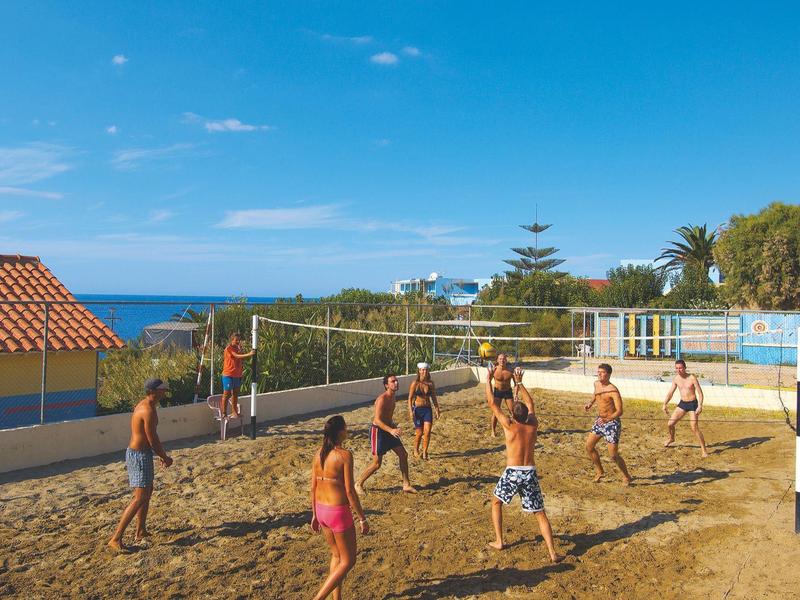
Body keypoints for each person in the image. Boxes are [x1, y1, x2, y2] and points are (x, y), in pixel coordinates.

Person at [486, 366, 564, 562]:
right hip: (530, 471)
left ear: (513, 415)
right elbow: (531, 403)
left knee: (496, 502)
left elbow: (491, 403)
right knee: (540, 513)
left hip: (513, 472)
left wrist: (488, 381)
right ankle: (552, 553)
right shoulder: (532, 425)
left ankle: (499, 540)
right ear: (526, 415)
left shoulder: (509, 425)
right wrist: (519, 383)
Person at [108, 378, 174, 553]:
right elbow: (152, 438)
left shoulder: (147, 405)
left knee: (147, 492)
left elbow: (151, 439)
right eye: (162, 390)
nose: (164, 392)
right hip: (138, 455)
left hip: (141, 454)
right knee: (140, 497)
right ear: (153, 391)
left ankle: (141, 530)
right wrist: (164, 456)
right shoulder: (148, 410)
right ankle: (116, 538)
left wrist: (159, 454)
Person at [310, 415, 369, 600]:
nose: (347, 430)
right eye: (346, 427)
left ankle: (337, 599)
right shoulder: (344, 455)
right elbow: (350, 491)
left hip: (321, 510)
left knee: (336, 556)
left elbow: (313, 487)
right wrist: (362, 518)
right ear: (340, 432)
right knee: (348, 560)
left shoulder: (318, 454)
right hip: (337, 511)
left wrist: (314, 515)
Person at [355, 374, 416, 495]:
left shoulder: (393, 397)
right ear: (386, 385)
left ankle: (406, 484)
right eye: (393, 381)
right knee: (377, 464)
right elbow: (377, 420)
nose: (396, 383)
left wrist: (393, 426)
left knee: (403, 454)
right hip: (378, 431)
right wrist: (391, 430)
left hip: (388, 430)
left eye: (396, 381)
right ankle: (358, 483)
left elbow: (387, 417)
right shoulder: (382, 399)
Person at [584, 364, 632, 485]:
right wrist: (590, 403)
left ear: (609, 374)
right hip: (600, 420)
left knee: (613, 455)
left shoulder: (613, 390)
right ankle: (600, 471)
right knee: (589, 447)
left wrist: (608, 419)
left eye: (602, 372)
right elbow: (596, 394)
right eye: (598, 371)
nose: (599, 374)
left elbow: (620, 411)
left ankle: (626, 476)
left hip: (612, 423)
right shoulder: (596, 383)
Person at [663, 359, 709, 457]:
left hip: (693, 404)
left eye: (680, 368)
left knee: (694, 427)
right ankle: (671, 438)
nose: (679, 370)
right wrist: (665, 404)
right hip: (683, 403)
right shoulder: (676, 379)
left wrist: (700, 406)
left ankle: (704, 450)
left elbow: (700, 393)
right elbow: (670, 393)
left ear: (685, 368)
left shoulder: (692, 378)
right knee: (670, 424)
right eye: (677, 368)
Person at [408, 362, 440, 460]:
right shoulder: (415, 383)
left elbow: (433, 397)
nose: (424, 372)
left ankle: (425, 451)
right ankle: (415, 450)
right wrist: (410, 410)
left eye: (425, 370)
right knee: (419, 432)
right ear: (419, 371)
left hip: (427, 410)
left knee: (428, 432)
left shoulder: (431, 383)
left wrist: (437, 408)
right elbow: (409, 398)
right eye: (422, 370)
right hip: (417, 410)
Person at [221, 332, 255, 419]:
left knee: (235, 394)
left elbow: (239, 357)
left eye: (239, 340)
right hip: (228, 374)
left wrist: (241, 350)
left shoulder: (237, 348)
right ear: (232, 340)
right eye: (236, 340)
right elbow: (237, 356)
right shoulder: (229, 349)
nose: (238, 342)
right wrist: (249, 354)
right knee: (227, 393)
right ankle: (224, 413)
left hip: (237, 375)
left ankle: (234, 412)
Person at [488, 353, 515, 437]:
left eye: (503, 359)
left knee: (513, 412)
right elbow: (488, 381)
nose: (502, 360)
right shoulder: (494, 370)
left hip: (508, 392)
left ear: (506, 360)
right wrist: (490, 394)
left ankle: (515, 430)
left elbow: (516, 383)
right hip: (497, 392)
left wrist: (516, 393)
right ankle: (493, 431)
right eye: (500, 359)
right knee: (495, 413)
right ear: (497, 360)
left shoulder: (510, 370)